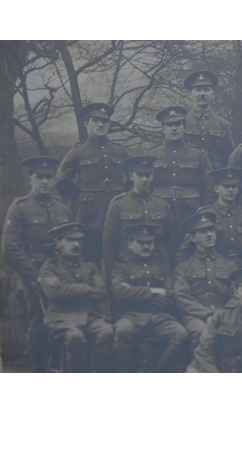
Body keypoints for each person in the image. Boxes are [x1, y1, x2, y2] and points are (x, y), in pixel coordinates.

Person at [2, 156, 73, 372]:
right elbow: (10, 250)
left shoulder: (62, 206)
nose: (45, 182)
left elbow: (72, 240)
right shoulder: (20, 208)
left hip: (62, 275)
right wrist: (35, 277)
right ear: (30, 179)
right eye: (39, 177)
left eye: (49, 177)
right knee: (38, 324)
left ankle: (59, 368)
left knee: (65, 323)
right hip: (34, 275)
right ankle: (39, 372)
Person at [55, 103, 129, 266]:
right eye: (96, 120)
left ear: (109, 124)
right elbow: (61, 182)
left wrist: (126, 197)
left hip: (118, 214)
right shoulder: (78, 151)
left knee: (119, 257)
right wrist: (82, 197)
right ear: (87, 124)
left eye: (104, 121)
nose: (101, 125)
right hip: (90, 216)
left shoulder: (119, 151)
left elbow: (132, 177)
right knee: (90, 258)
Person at [111, 224, 187, 372]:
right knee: (122, 331)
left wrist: (133, 292)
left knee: (180, 334)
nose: (146, 246)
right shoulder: (121, 267)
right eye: (141, 243)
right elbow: (119, 291)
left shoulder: (163, 266)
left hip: (161, 316)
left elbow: (171, 295)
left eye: (150, 243)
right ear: (130, 244)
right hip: (131, 316)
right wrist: (153, 291)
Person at [39, 223, 114, 373]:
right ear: (58, 243)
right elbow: (55, 292)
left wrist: (71, 293)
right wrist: (86, 288)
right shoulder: (49, 267)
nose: (76, 244)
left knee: (107, 332)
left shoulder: (89, 266)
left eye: (79, 241)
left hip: (90, 316)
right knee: (76, 337)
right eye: (70, 240)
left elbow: (102, 292)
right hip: (60, 318)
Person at [103, 155, 174, 279]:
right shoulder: (118, 203)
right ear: (131, 176)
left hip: (158, 265)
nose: (144, 179)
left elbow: (171, 237)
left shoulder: (162, 204)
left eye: (148, 175)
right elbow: (109, 242)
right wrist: (112, 275)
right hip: (128, 265)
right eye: (140, 175)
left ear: (152, 176)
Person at [173, 212, 237, 350]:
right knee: (202, 334)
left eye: (212, 230)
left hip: (224, 314)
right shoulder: (183, 267)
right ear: (193, 238)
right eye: (203, 231)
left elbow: (236, 295)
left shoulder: (229, 265)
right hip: (195, 317)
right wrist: (207, 314)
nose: (209, 234)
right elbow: (182, 298)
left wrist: (221, 314)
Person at [145, 105, 215, 227]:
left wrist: (204, 209)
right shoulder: (152, 154)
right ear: (163, 128)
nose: (174, 128)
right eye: (169, 125)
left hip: (191, 211)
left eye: (178, 124)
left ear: (184, 127)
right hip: (160, 211)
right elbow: (145, 185)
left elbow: (209, 184)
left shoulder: (198, 154)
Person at [183, 70, 235, 169]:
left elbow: (230, 157)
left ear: (213, 94)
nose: (202, 94)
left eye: (206, 89)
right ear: (191, 94)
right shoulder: (182, 123)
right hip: (190, 178)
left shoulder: (223, 124)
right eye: (198, 90)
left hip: (215, 176)